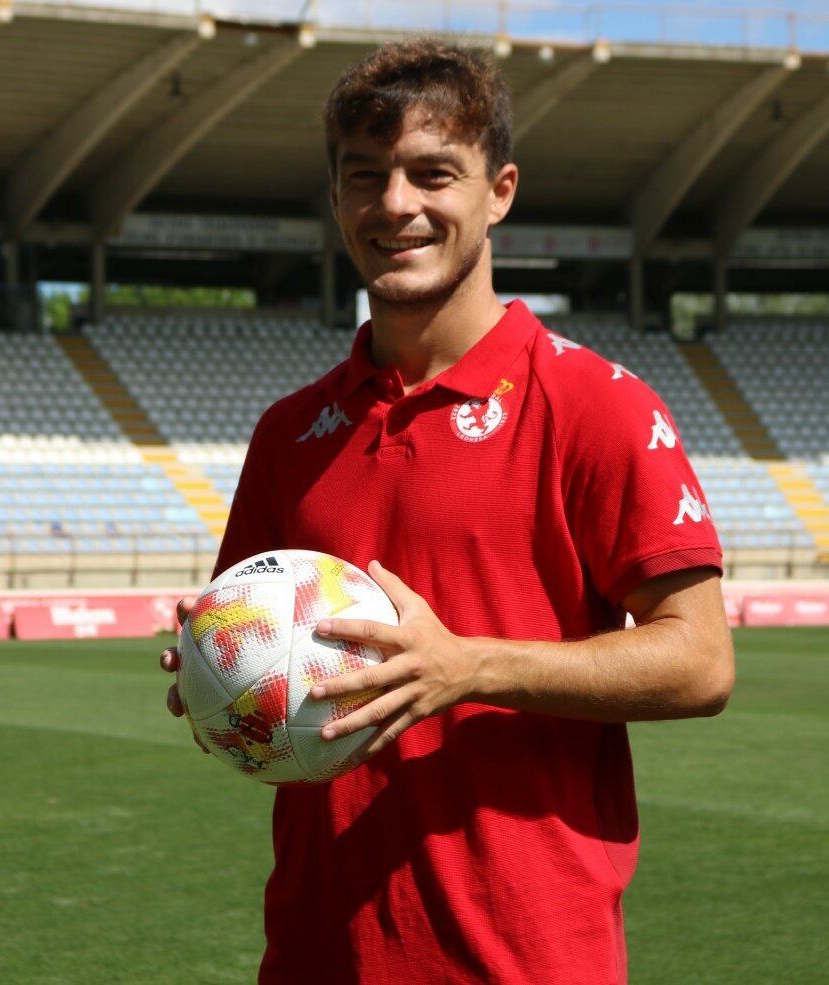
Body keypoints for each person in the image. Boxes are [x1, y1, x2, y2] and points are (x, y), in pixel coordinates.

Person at [157, 37, 734, 984]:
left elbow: (700, 659)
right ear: (338, 198)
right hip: (314, 955)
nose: (396, 205)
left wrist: (467, 668)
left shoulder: (595, 404)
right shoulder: (290, 432)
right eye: (364, 177)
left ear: (499, 190)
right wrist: (221, 673)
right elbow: (272, 652)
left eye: (434, 174)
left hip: (524, 958)